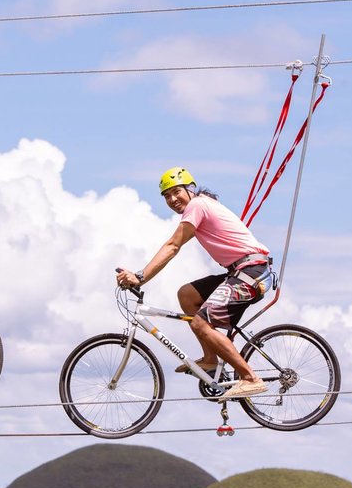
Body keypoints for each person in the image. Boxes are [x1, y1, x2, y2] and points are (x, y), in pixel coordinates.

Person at [116, 167, 273, 399]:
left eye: (176, 192)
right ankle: (210, 359)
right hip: (241, 271)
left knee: (200, 323)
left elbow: (173, 246)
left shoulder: (197, 205)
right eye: (166, 196)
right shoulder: (199, 206)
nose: (172, 199)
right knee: (187, 295)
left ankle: (250, 378)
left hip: (252, 272)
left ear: (190, 189)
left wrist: (140, 277)